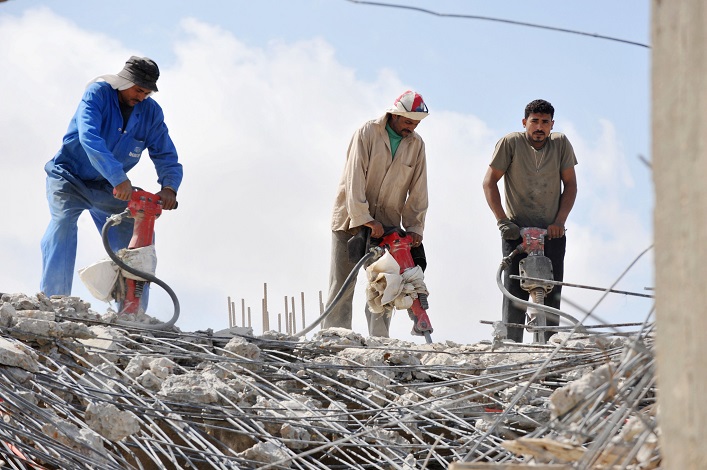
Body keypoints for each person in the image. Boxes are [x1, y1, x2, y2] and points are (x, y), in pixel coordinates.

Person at [40, 56, 183, 311]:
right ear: (124, 82)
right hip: (69, 177)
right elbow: (89, 137)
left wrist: (169, 187)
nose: (142, 97)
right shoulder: (98, 94)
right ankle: (55, 304)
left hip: (109, 189)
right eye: (138, 89)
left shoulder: (151, 112)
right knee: (62, 225)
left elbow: (165, 153)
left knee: (134, 239)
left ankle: (132, 313)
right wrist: (118, 177)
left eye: (147, 92)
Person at [322, 90, 430, 337]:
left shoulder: (416, 145)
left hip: (388, 226)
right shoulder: (368, 133)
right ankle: (336, 339)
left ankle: (380, 343)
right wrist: (365, 219)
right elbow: (354, 177)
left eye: (416, 123)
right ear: (394, 115)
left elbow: (418, 190)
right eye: (407, 121)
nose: (411, 127)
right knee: (343, 284)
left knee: (386, 285)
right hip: (350, 221)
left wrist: (414, 228)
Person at [482, 99, 578, 343]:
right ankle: (513, 346)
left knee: (552, 291)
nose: (539, 127)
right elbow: (489, 182)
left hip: (551, 232)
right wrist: (503, 221)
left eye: (545, 122)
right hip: (517, 231)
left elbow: (571, 184)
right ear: (524, 122)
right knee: (515, 291)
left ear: (551, 125)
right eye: (534, 121)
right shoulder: (511, 143)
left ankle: (548, 347)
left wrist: (560, 221)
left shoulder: (560, 144)